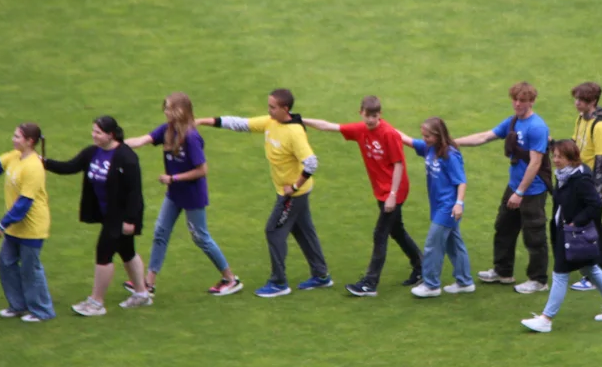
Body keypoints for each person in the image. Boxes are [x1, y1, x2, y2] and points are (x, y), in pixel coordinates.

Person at [195, 88, 331, 297]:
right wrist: (205, 121)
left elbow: (311, 163)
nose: (269, 110)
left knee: (273, 231)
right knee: (302, 229)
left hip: (292, 195)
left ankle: (279, 283)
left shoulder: (294, 132)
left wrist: (293, 187)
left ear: (285, 109)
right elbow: (240, 124)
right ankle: (321, 275)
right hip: (290, 192)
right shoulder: (271, 122)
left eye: (272, 107)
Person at [125, 92, 242, 297]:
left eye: (169, 108)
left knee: (201, 237)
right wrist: (116, 144)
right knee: (161, 231)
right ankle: (149, 283)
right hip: (174, 194)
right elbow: (143, 140)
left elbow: (202, 170)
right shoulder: (167, 130)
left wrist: (174, 178)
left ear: (181, 111)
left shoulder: (192, 137)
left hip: (192, 195)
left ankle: (230, 279)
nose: (166, 112)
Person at [305, 96, 422, 297]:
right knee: (397, 231)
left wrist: (392, 195)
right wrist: (299, 120)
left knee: (380, 234)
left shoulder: (389, 134)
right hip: (381, 191)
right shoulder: (360, 130)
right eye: (368, 116)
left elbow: (398, 165)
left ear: (380, 115)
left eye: (375, 116)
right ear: (361, 113)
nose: (370, 120)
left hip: (394, 191)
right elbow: (328, 126)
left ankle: (369, 283)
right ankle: (422, 266)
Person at [44, 116, 152, 316]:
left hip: (120, 216)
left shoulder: (126, 158)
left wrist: (130, 221)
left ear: (110, 135)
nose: (93, 135)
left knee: (103, 254)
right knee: (127, 251)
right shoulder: (92, 153)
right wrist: (45, 163)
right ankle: (142, 293)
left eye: (98, 132)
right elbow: (70, 167)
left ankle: (96, 302)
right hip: (107, 213)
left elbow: (134, 192)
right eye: (93, 131)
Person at [520, 140, 602, 333]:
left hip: (573, 234)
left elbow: (594, 204)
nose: (556, 160)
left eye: (560, 156)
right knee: (591, 269)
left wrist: (575, 223)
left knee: (560, 275)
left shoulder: (580, 179)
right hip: (565, 231)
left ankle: (546, 319)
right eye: (554, 155)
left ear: (571, 158)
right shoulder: (564, 176)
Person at [456, 81, 551, 295]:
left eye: (522, 100)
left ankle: (538, 279)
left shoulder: (537, 127)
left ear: (532, 101)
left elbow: (536, 163)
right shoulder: (513, 122)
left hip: (532, 191)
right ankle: (503, 271)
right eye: (515, 99)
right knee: (504, 228)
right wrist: (454, 142)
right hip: (514, 187)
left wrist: (520, 193)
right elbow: (484, 136)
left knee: (534, 236)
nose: (517, 104)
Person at [0, 123, 56, 322]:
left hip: (32, 227)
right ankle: (18, 305)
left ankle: (42, 310)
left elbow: (24, 203)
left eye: (17, 136)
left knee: (30, 268)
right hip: (16, 227)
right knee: (6, 263)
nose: (13, 139)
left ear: (29, 141)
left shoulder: (33, 166)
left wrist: (2, 224)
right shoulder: (14, 156)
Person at [397, 118, 473, 298]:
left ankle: (431, 285)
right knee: (453, 244)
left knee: (433, 244)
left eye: (428, 136)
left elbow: (461, 181)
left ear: (438, 135)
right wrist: (384, 126)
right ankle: (465, 281)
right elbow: (407, 140)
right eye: (423, 135)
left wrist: (458, 204)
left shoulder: (450, 155)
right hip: (439, 205)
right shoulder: (429, 148)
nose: (424, 139)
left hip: (448, 207)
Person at [566, 82, 602, 292]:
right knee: (593, 228)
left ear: (593, 102)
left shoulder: (599, 126)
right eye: (576, 99)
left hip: (591, 187)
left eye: (582, 100)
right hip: (580, 182)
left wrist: (594, 193)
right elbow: (576, 145)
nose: (577, 103)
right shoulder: (581, 118)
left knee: (592, 229)